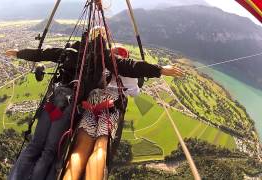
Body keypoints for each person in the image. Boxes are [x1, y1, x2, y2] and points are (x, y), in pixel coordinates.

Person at [6, 27, 183, 180]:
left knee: (38, 145)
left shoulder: (70, 51)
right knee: (53, 152)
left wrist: (20, 53)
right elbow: (130, 66)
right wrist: (159, 70)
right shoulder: (102, 59)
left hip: (57, 101)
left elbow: (45, 53)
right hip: (78, 105)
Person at [62, 45, 183, 180]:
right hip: (111, 105)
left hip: (93, 102)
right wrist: (139, 80)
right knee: (100, 149)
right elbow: (134, 92)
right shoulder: (128, 74)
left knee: (79, 150)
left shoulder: (102, 65)